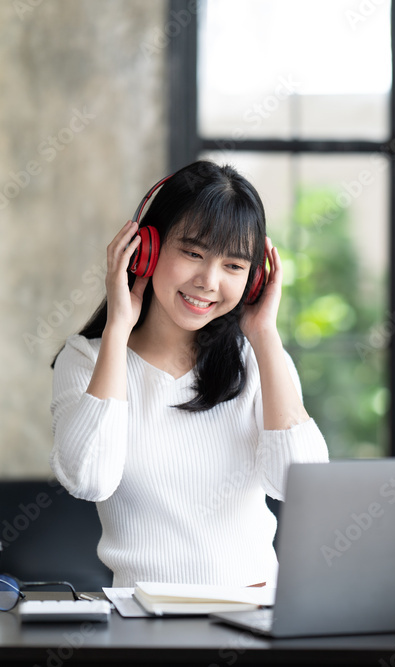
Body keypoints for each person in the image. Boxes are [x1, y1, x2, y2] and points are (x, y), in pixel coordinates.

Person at [49, 161, 329, 588]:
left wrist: (265, 335)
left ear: (255, 281)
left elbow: (304, 485)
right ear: (145, 249)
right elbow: (89, 479)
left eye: (234, 266)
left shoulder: (258, 359)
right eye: (193, 253)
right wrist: (117, 330)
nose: (209, 281)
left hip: (255, 622)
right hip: (146, 627)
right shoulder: (87, 359)